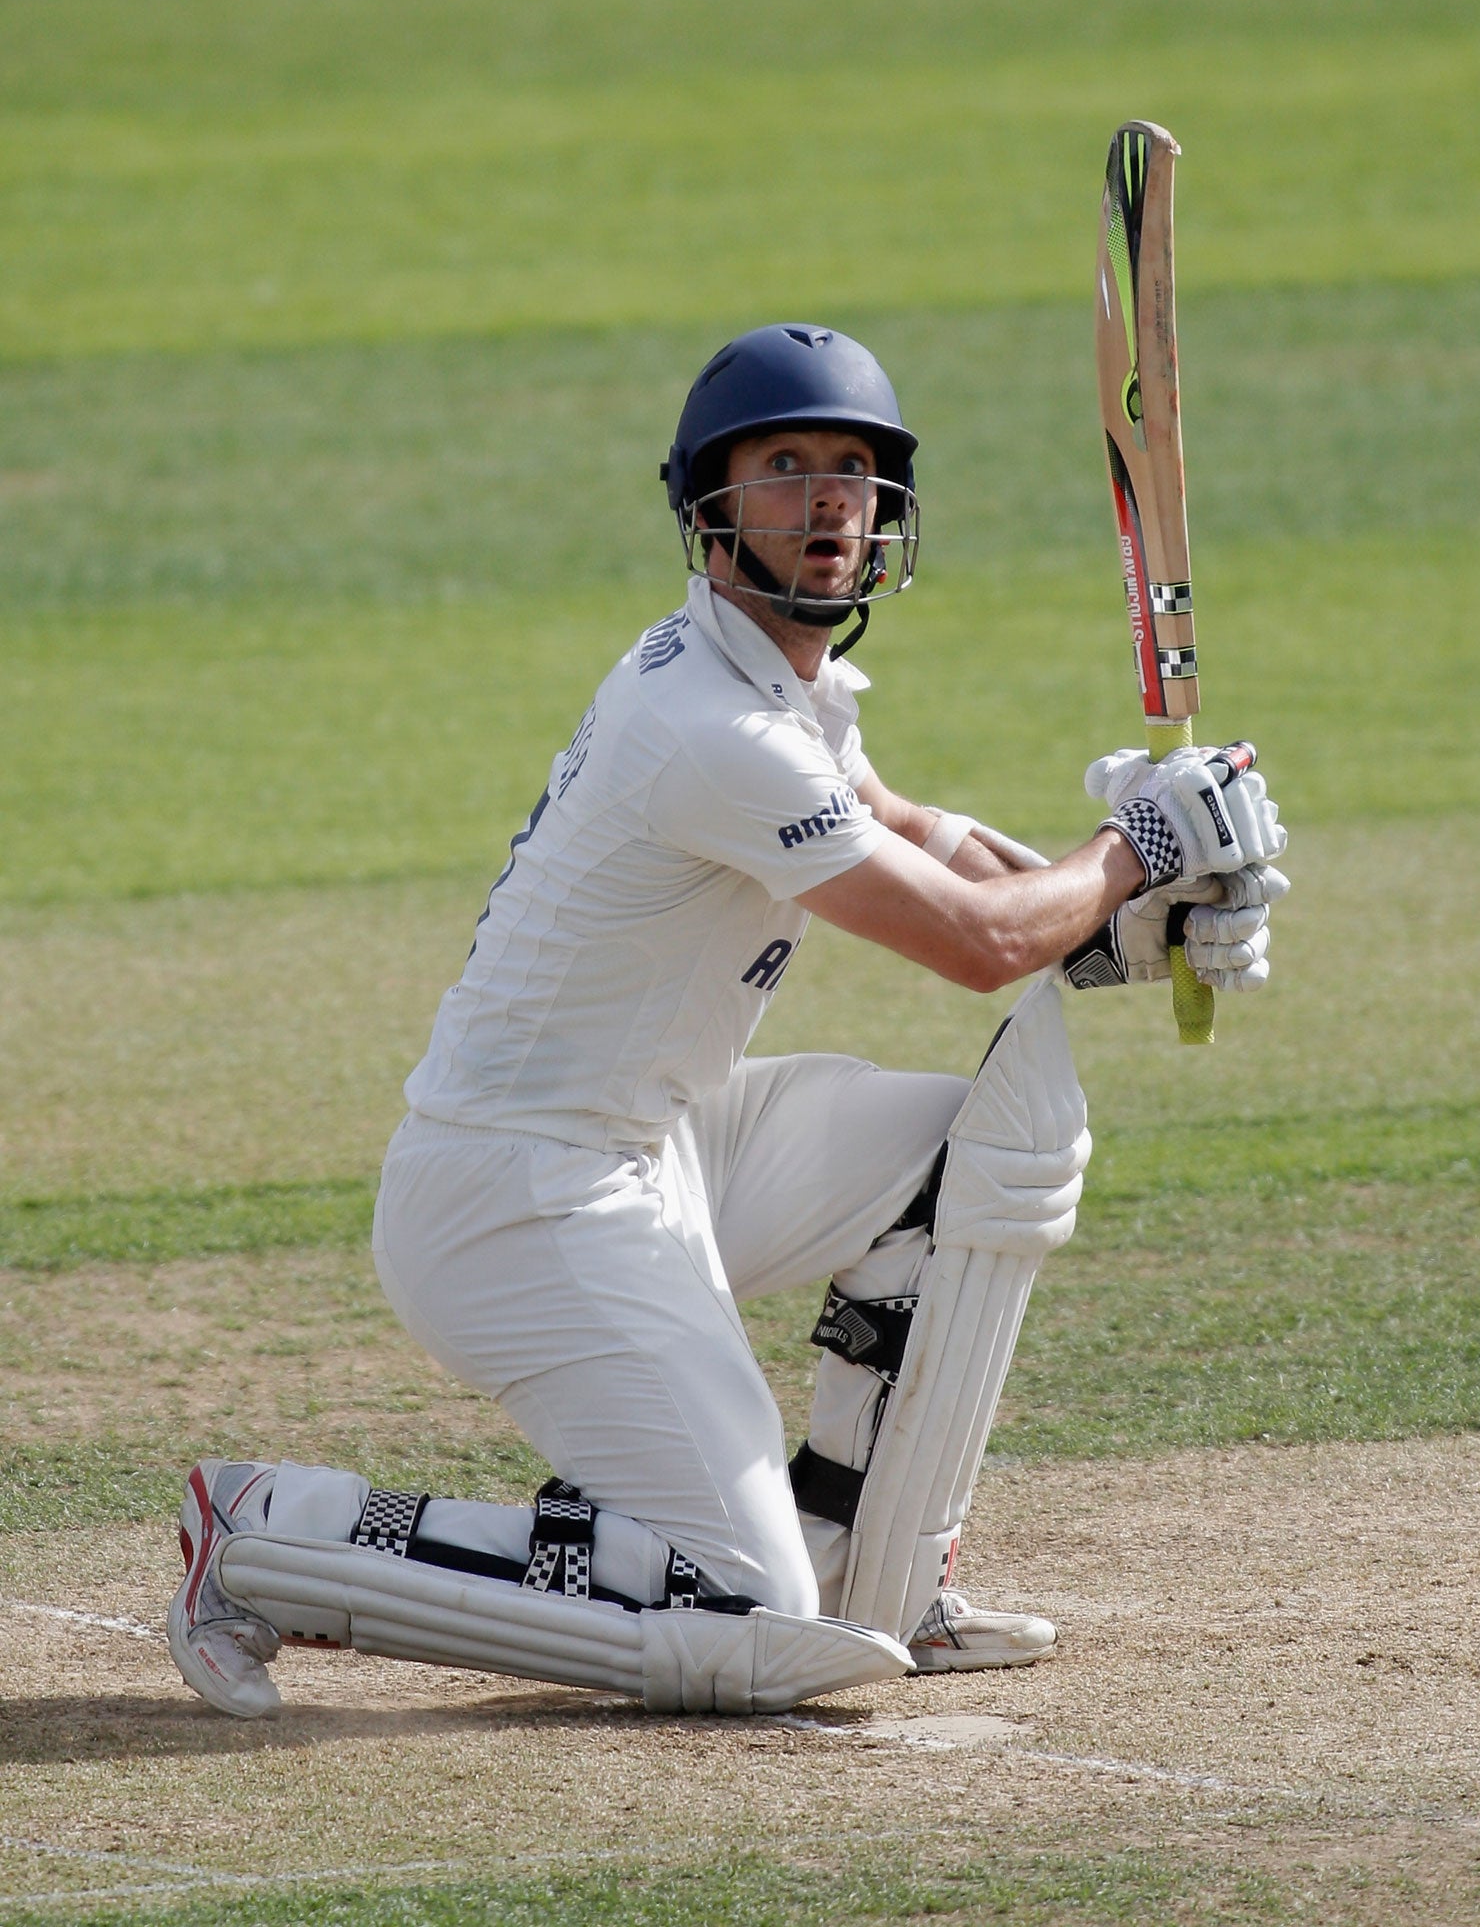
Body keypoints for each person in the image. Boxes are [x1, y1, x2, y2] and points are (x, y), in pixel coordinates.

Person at [168, 324, 1286, 1720]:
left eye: (855, 471)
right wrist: (1129, 850)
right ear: (710, 505)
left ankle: (888, 1583)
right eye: (787, 465)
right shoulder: (711, 728)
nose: (830, 498)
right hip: (519, 1195)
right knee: (744, 1611)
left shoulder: (783, 689)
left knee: (974, 1155)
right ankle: (271, 1532)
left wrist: (1141, 910)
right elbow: (977, 944)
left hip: (665, 1147)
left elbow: (928, 845)